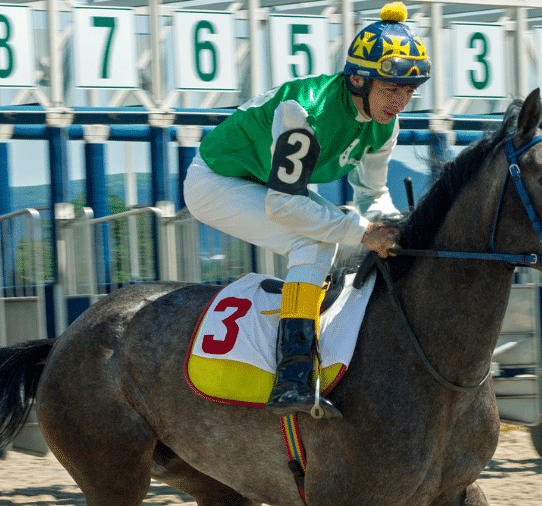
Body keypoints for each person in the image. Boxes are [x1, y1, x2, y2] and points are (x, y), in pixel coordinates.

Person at [183, 1, 430, 419]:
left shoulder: (385, 123)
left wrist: (397, 228)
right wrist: (363, 233)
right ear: (357, 78)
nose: (401, 102)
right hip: (217, 181)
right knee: (315, 243)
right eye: (392, 89)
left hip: (267, 183)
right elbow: (284, 205)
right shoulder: (304, 114)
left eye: (409, 91)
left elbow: (373, 194)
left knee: (332, 237)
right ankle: (292, 376)